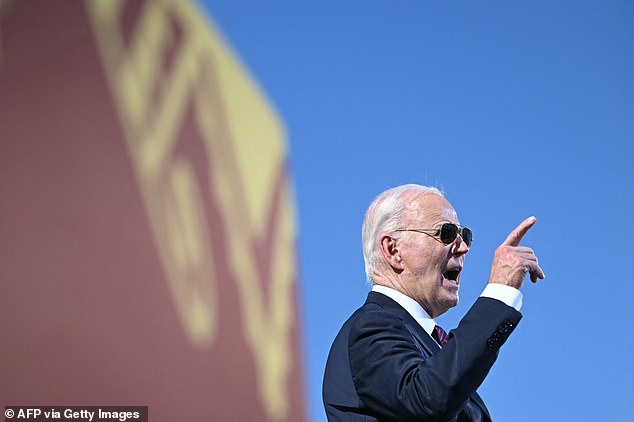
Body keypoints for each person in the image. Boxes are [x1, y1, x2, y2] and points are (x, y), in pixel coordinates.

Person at [322, 184, 545, 421]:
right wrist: (500, 292)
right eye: (446, 233)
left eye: (465, 235)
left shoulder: (428, 343)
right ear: (393, 250)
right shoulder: (371, 326)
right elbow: (426, 400)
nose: (463, 248)